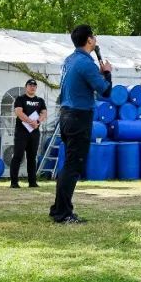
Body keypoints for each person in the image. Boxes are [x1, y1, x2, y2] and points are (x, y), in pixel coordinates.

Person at [50, 24, 112, 224]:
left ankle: (58, 209)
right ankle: (64, 213)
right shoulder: (86, 63)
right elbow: (105, 91)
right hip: (79, 116)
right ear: (89, 40)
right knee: (73, 166)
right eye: (94, 37)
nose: (96, 40)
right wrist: (107, 72)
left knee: (69, 164)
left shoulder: (69, 60)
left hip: (66, 115)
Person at [10, 78, 48, 189]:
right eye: (30, 85)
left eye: (34, 86)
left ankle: (32, 182)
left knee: (32, 157)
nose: (32, 87)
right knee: (17, 156)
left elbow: (44, 113)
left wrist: (38, 121)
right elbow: (18, 112)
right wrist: (30, 121)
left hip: (34, 133)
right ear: (26, 87)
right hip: (21, 132)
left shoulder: (40, 100)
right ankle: (14, 182)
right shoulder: (20, 99)